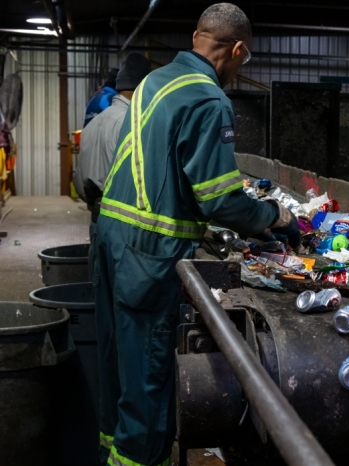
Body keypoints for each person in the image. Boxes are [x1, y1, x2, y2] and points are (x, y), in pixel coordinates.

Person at [94, 4, 300, 465]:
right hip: (150, 250)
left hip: (111, 234)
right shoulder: (209, 98)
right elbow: (221, 201)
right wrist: (274, 217)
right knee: (149, 377)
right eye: (245, 59)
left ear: (196, 36)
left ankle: (111, 449)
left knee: (118, 363)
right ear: (238, 49)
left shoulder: (154, 82)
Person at [74, 52, 152, 276]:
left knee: (101, 289)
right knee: (124, 292)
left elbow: (79, 179)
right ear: (141, 89)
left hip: (97, 219)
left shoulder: (92, 124)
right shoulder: (131, 124)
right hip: (123, 224)